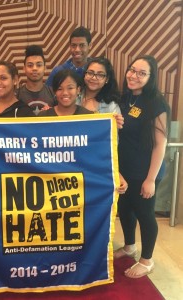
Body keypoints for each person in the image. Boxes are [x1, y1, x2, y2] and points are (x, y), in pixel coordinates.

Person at [115, 55, 170, 278]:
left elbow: (160, 144)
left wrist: (150, 179)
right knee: (125, 210)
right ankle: (130, 246)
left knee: (145, 213)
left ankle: (147, 260)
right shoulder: (125, 98)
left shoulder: (157, 103)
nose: (133, 75)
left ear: (151, 77)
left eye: (141, 73)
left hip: (146, 171)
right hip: (125, 170)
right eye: (132, 70)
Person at [39, 69, 127, 194]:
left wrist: (117, 174)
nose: (65, 93)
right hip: (49, 184)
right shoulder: (42, 117)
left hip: (80, 184)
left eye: (70, 88)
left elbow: (100, 152)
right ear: (54, 92)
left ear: (79, 90)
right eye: (59, 88)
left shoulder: (89, 118)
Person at [17, 45, 55, 114]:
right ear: (24, 69)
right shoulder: (16, 95)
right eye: (30, 65)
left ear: (45, 68)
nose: (34, 68)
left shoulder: (53, 94)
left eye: (39, 65)